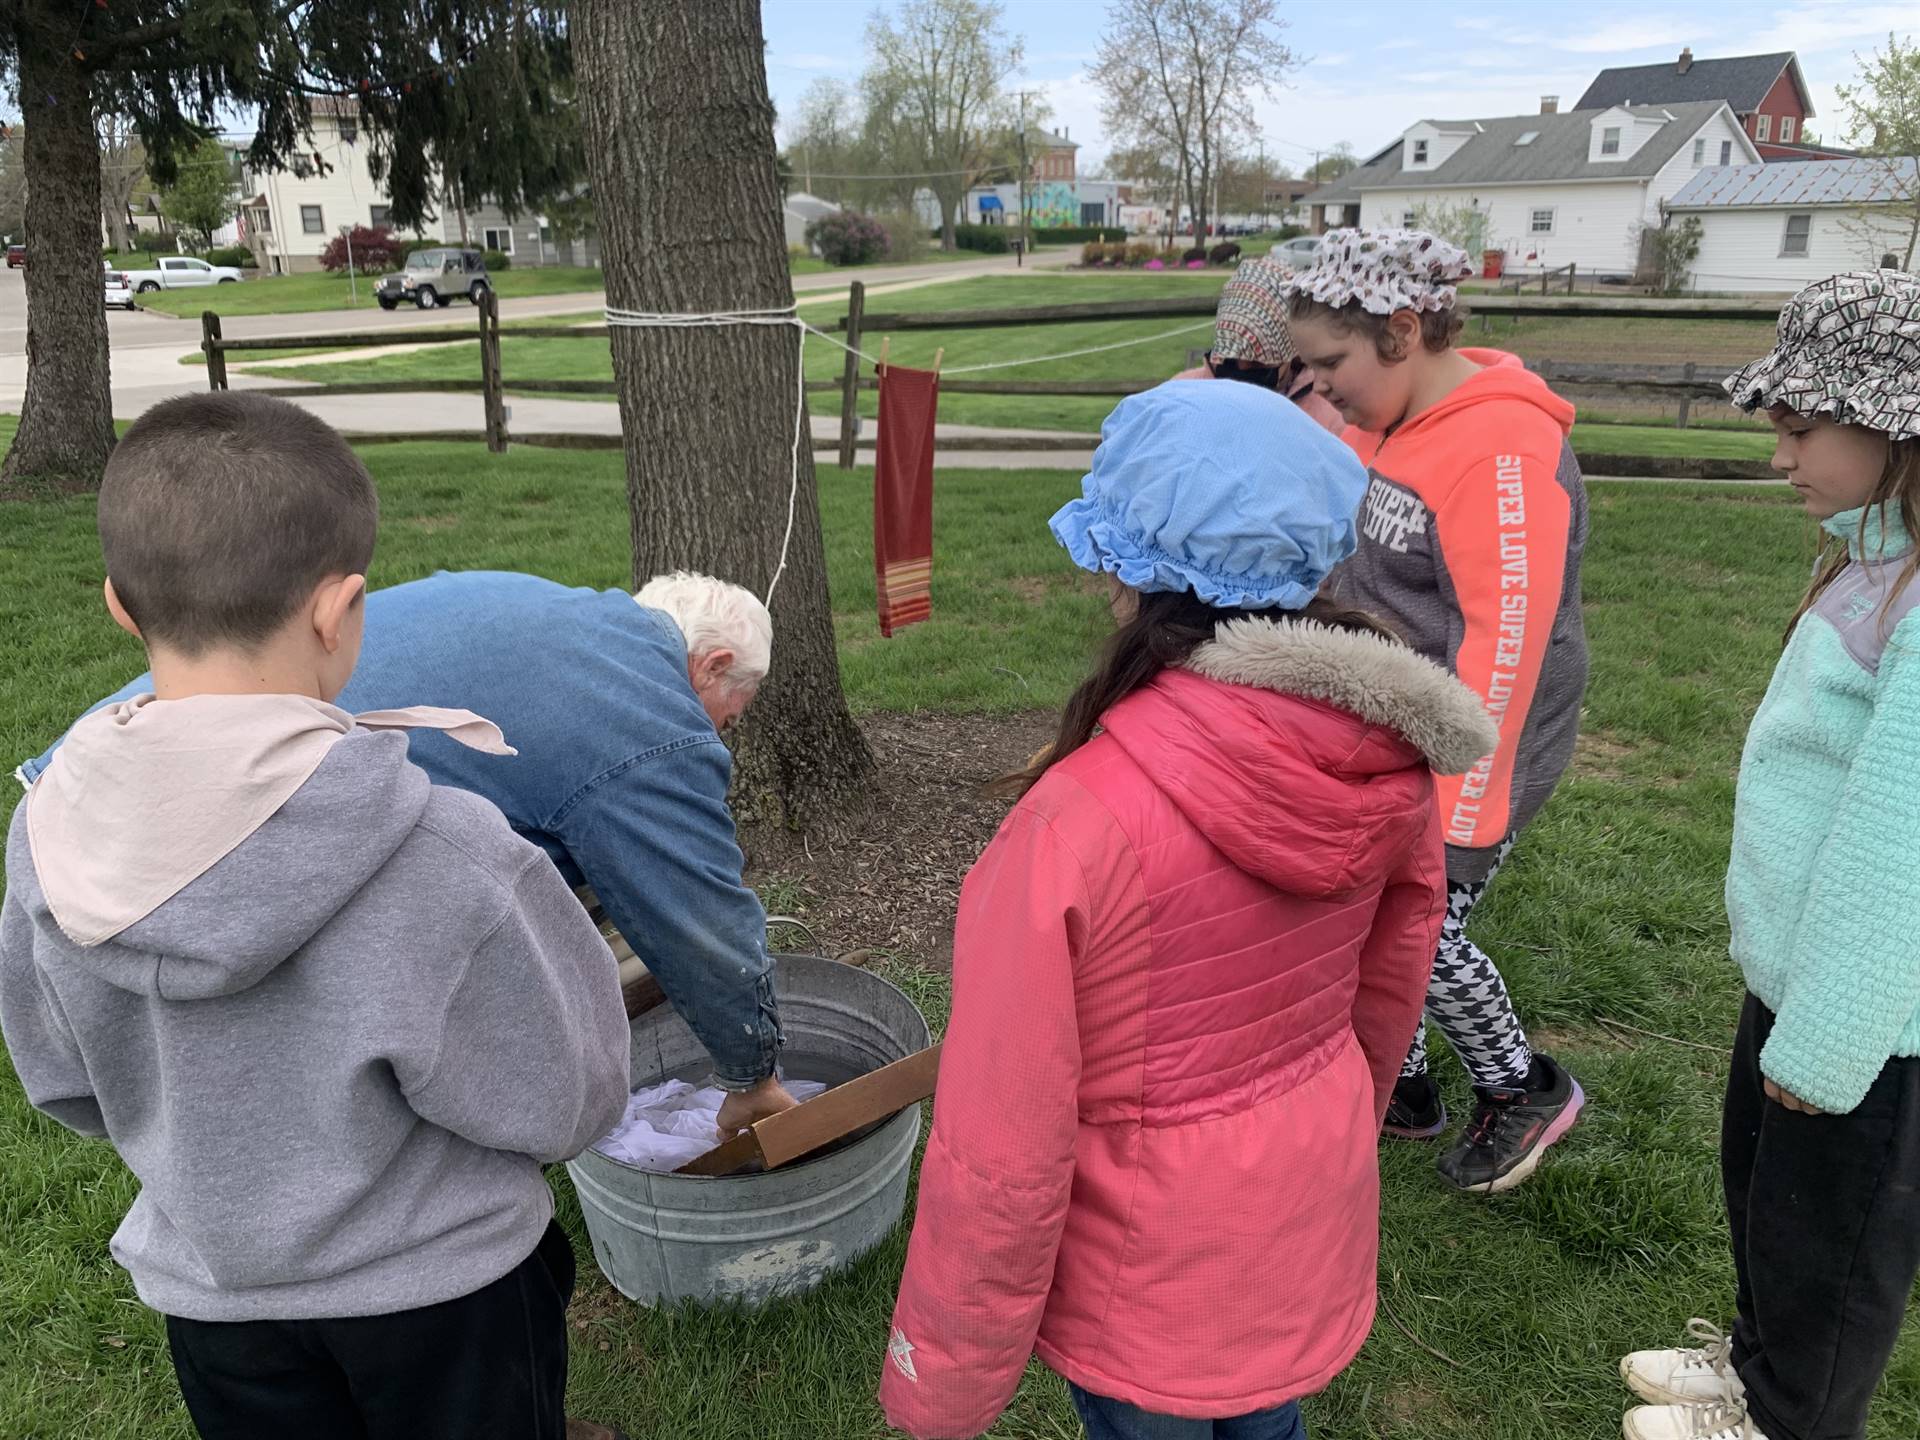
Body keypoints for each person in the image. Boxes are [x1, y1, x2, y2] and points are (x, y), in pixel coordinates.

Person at [0, 393, 633, 1440]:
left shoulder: (46, 842)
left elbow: (64, 1079)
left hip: (218, 1307)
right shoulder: (448, 849)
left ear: (121, 605)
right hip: (450, 1294)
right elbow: (567, 1095)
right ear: (337, 612)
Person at [878, 380, 1499, 1440]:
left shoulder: (1072, 824)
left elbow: (1000, 1137)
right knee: (1267, 1418)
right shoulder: (1383, 762)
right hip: (1302, 1198)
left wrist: (944, 1378)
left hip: (1145, 1263)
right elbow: (1387, 1003)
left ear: (1122, 570)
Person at [18, 567, 796, 1134]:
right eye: (731, 714)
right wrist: (751, 1074)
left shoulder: (545, 609)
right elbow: (700, 920)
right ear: (713, 665)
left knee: (191, 1082)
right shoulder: (647, 711)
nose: (719, 733)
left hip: (94, 775)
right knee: (271, 1082)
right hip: (215, 824)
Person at [1619, 270, 1920, 1440]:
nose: (1781, 456)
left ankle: (1791, 1417)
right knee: (1762, 1196)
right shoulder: (1872, 556)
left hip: (1866, 1026)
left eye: (1800, 430)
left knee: (1831, 1257)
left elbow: (1901, 843)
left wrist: (1835, 1037)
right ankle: (1754, 1364)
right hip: (1798, 984)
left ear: (1896, 427)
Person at [1282, 228, 1590, 1194]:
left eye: (1332, 365)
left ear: (1403, 330)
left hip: (1478, 746)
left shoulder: (1500, 447)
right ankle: (1404, 1088)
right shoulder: (1393, 422)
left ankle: (1523, 1087)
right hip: (1407, 727)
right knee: (1376, 907)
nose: (1321, 389)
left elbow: (1504, 644)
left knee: (1420, 929)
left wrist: (1463, 813)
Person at [1172, 254, 1345, 433]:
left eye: (1257, 361)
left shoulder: (1327, 415)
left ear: (1293, 351)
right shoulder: (1182, 394)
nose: (1242, 368)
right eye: (1231, 357)